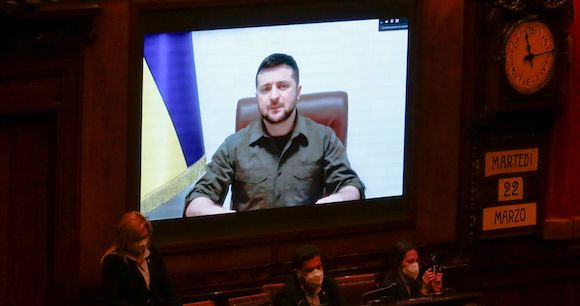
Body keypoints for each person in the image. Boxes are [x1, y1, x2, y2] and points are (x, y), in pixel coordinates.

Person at [185, 53, 365, 217]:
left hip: (306, 241)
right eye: (265, 89)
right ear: (257, 96)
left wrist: (339, 199)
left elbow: (351, 186)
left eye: (283, 86)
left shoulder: (324, 138)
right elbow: (196, 201)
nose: (273, 96)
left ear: (298, 92)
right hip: (253, 241)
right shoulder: (234, 145)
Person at [101, 211, 181, 306]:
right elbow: (113, 301)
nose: (143, 243)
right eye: (138, 239)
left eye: (145, 237)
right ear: (127, 239)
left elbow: (169, 290)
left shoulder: (153, 253)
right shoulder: (113, 261)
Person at [274, 244, 349, 306]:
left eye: (318, 267)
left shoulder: (331, 285)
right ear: (298, 272)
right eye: (309, 270)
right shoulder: (286, 296)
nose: (316, 273)